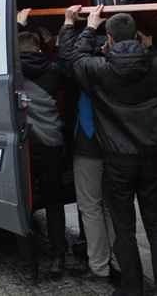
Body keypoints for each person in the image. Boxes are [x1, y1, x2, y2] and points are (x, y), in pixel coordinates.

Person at [62, 4, 157, 295]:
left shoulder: (100, 70)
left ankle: (131, 288)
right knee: (156, 227)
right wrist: (151, 49)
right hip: (150, 160)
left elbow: (71, 58)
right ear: (138, 36)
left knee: (124, 228)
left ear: (110, 39)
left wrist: (86, 26)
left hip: (117, 161)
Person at [57, 17, 118, 284]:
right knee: (110, 207)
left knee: (90, 207)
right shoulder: (119, 65)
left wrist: (70, 24)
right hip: (116, 145)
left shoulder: (83, 70)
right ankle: (118, 262)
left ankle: (99, 267)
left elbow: (68, 58)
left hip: (89, 144)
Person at [15, 11, 68, 286]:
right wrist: (57, 43)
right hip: (51, 146)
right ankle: (58, 257)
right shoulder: (52, 71)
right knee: (54, 202)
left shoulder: (11, 71)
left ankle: (29, 269)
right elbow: (64, 63)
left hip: (23, 147)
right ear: (38, 47)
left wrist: (17, 25)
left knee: (23, 205)